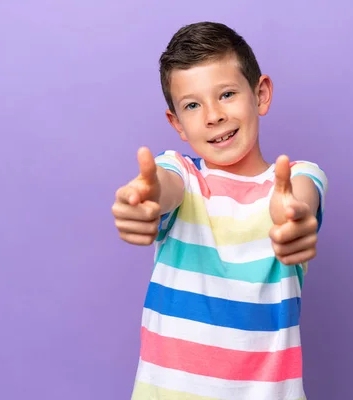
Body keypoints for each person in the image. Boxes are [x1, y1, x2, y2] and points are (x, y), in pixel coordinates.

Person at [112, 21, 328, 400]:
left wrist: (294, 215)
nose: (213, 115)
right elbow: (164, 185)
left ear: (260, 94)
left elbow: (301, 197)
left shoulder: (295, 179)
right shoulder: (182, 173)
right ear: (176, 123)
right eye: (192, 105)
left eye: (226, 94)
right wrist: (143, 199)